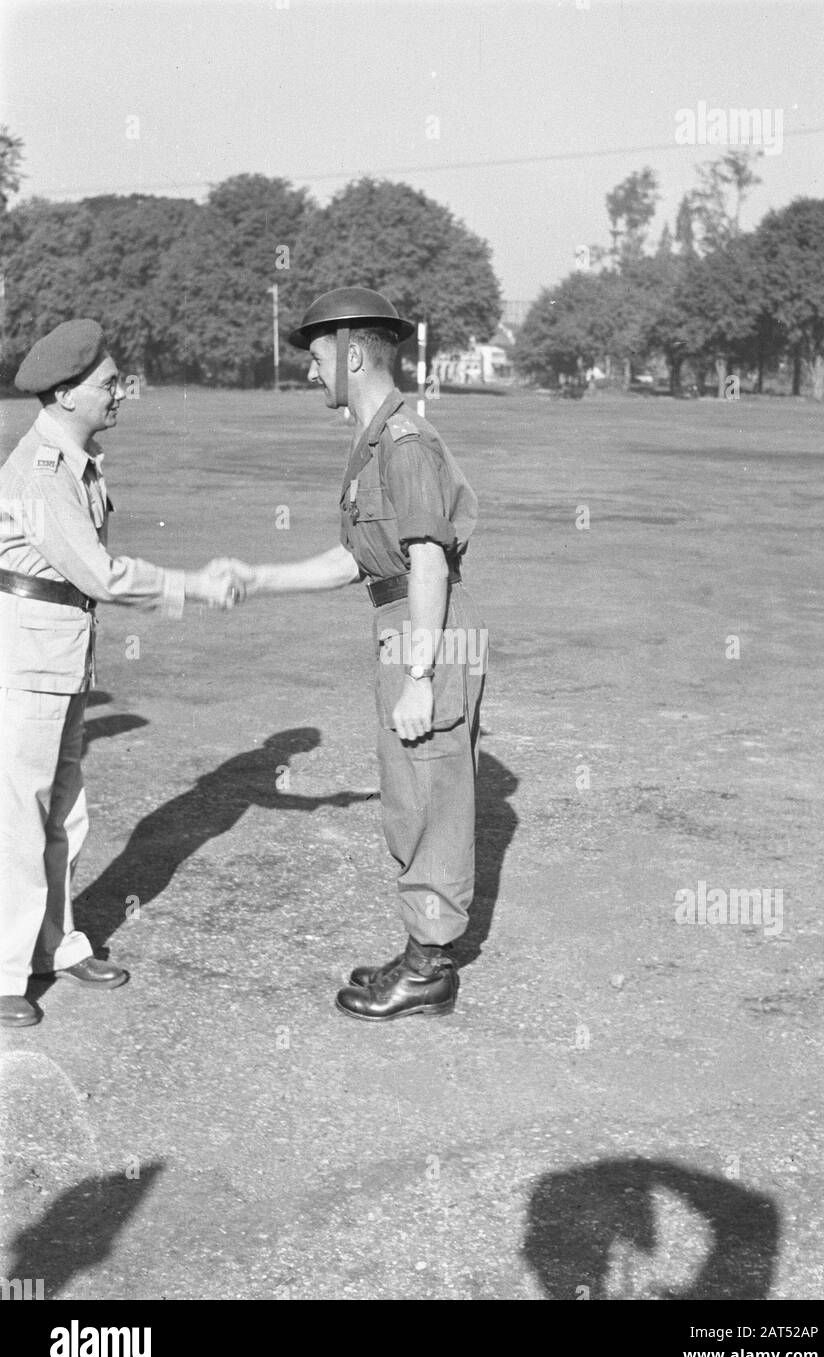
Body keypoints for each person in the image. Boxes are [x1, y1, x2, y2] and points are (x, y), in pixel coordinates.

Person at [213, 287, 486, 1022]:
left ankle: (431, 967)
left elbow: (427, 561)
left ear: (354, 355)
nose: (308, 371)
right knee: (409, 787)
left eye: (317, 355)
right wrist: (259, 577)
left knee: (429, 788)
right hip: (402, 617)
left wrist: (422, 675)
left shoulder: (405, 443)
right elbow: (358, 558)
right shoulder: (375, 440)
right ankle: (420, 947)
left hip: (427, 625)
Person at [0, 319, 241, 1028]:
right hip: (27, 661)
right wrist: (194, 586)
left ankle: (55, 947)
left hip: (60, 657)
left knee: (62, 817)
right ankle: (4, 971)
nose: (121, 395)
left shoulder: (77, 462)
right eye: (109, 385)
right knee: (18, 818)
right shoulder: (40, 473)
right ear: (67, 393)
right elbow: (100, 575)